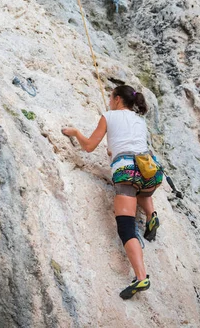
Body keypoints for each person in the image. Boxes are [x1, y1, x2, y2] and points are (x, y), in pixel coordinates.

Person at [61, 85, 163, 300]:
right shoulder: (140, 120)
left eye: (110, 98)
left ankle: (141, 276)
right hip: (151, 172)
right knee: (143, 191)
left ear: (117, 99)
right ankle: (152, 215)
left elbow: (88, 146)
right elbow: (131, 142)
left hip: (128, 172)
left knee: (126, 226)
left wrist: (76, 132)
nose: (109, 102)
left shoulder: (108, 116)